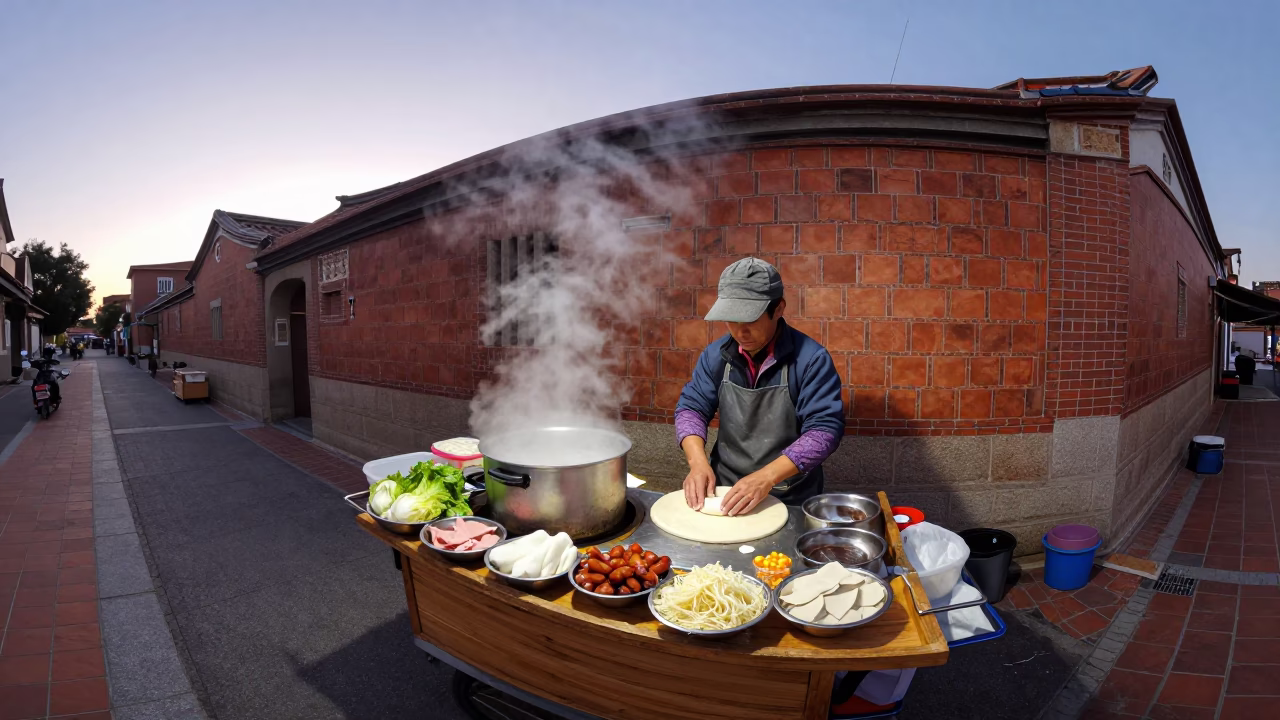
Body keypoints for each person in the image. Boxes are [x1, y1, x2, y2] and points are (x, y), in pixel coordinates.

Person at [676, 257, 845, 516]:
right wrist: (697, 463)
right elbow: (692, 408)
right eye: (731, 320)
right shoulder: (715, 356)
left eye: (750, 320)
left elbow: (824, 431)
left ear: (778, 309)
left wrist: (766, 477)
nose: (740, 332)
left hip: (789, 495)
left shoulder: (811, 360)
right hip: (725, 491)